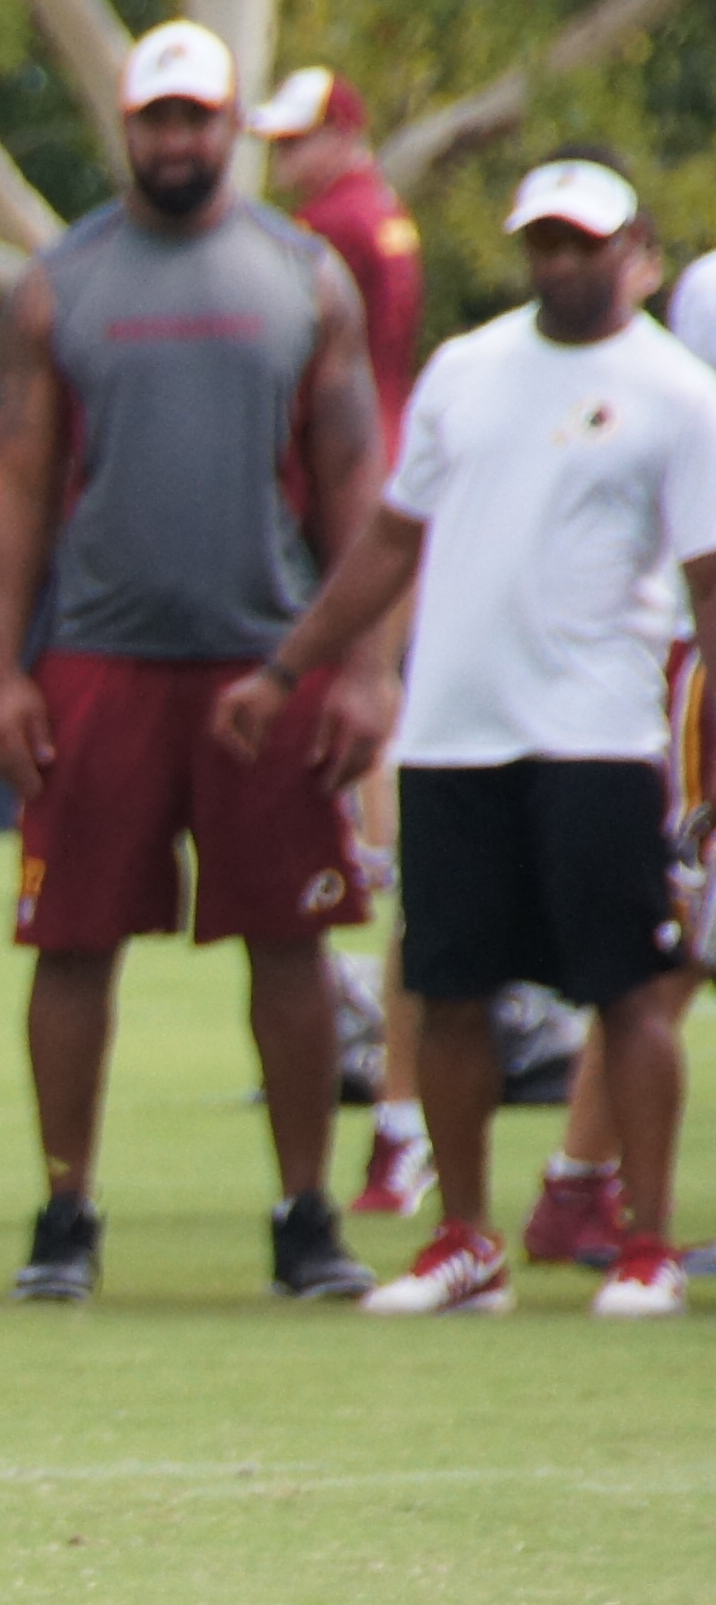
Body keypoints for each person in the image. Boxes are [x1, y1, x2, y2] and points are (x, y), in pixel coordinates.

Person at [214, 153, 716, 1318]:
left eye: (581, 243)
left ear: (626, 250)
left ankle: (643, 1243)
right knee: (446, 989)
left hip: (596, 731)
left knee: (629, 989)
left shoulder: (676, 391)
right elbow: (392, 540)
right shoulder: (465, 368)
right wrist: (288, 669)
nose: (559, 263)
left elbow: (706, 584)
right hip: (454, 729)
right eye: (542, 242)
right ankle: (463, 1240)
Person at [0, 20, 391, 1304]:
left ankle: (305, 1214)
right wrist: (0, 673)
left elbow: (352, 487)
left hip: (264, 663)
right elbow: (20, 492)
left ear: (229, 127)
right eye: (153, 118)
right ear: (125, 124)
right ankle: (63, 1213)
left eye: (194, 118)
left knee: (290, 941)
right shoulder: (59, 283)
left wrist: (361, 669)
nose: (173, 140)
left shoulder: (303, 277)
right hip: (98, 659)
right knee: (71, 942)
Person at [247, 65, 438, 1218]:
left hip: (360, 479)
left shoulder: (328, 230)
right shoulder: (382, 218)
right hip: (389, 457)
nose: (280, 163)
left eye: (294, 141)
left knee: (358, 688)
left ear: (342, 135)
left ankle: (368, 853)